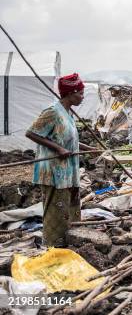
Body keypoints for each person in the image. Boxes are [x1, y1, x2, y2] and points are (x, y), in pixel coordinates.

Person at [25, 73, 98, 247]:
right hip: (53, 172)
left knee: (68, 209)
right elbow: (31, 133)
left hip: (67, 171)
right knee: (55, 211)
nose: (82, 97)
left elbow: (67, 139)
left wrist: (89, 149)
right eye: (80, 93)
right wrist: (58, 149)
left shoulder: (67, 112)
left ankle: (68, 242)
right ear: (70, 93)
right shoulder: (52, 112)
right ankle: (53, 246)